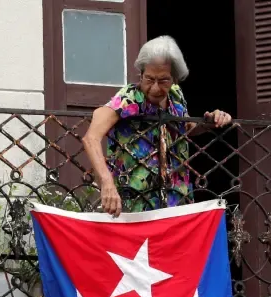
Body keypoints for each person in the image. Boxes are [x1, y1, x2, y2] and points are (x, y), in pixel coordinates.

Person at [82, 35, 232, 217]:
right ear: (141, 74)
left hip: (175, 198)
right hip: (137, 201)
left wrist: (209, 121)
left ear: (174, 79)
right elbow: (91, 138)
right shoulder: (129, 98)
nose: (154, 88)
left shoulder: (176, 95)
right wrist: (106, 182)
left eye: (163, 81)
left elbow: (185, 128)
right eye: (149, 79)